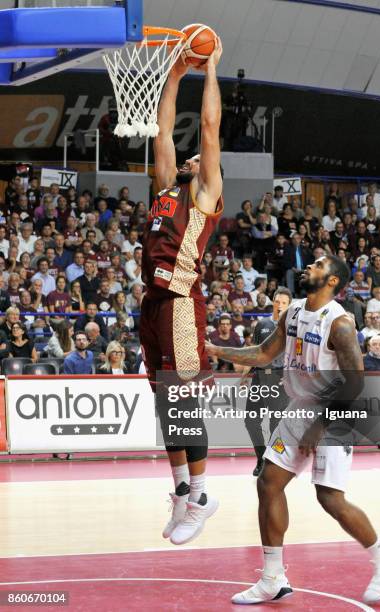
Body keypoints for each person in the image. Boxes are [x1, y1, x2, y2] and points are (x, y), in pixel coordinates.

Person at [206, 254, 380, 605]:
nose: (310, 265)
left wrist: (320, 425)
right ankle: (272, 578)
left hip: (335, 412)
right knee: (268, 482)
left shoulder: (339, 324)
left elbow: (354, 384)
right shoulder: (293, 310)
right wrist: (217, 349)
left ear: (331, 282)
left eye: (319, 265)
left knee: (329, 498)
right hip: (300, 408)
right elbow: (265, 353)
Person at [139, 39, 223, 547]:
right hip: (152, 303)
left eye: (201, 157)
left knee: (183, 404)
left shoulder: (206, 192)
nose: (193, 156)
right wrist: (174, 75)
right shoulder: (168, 186)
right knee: (164, 402)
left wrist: (209, 67)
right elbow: (164, 131)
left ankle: (203, 496)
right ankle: (182, 491)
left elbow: (208, 128)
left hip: (181, 304)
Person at [241, 287, 292, 476]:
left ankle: (272, 461)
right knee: (250, 420)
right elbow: (255, 350)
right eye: (277, 301)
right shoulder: (261, 323)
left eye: (284, 303)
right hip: (259, 376)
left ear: (289, 305)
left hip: (279, 378)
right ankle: (261, 457)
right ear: (273, 301)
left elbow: (298, 355)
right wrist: (245, 374)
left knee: (275, 423)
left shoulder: (292, 328)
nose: (280, 305)